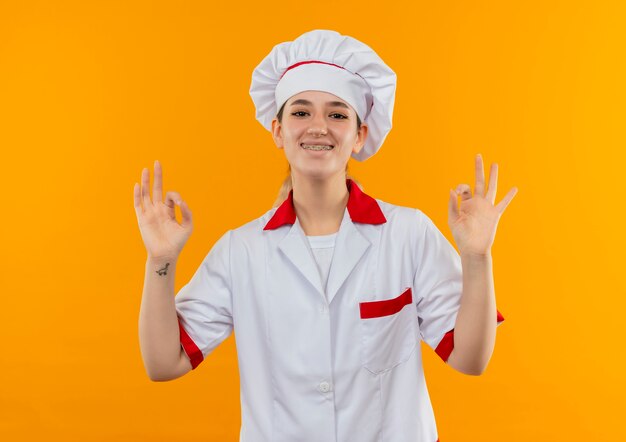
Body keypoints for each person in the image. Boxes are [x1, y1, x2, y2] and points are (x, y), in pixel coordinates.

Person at [134, 29, 517, 442]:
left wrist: (477, 258)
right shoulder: (240, 251)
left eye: (337, 114)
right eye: (301, 112)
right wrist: (161, 261)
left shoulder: (408, 234)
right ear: (278, 131)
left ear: (360, 136)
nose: (318, 127)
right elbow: (163, 363)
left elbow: (470, 359)